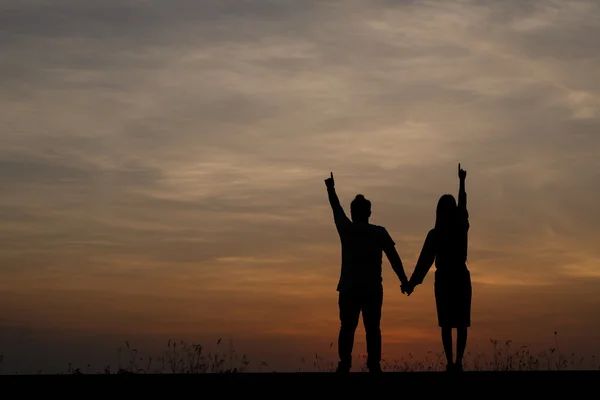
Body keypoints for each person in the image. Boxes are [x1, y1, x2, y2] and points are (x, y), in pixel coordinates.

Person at [324, 172, 410, 373]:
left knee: (347, 328)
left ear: (353, 213)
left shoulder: (347, 229)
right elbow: (394, 258)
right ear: (369, 213)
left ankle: (345, 363)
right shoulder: (379, 232)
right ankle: (373, 365)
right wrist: (404, 281)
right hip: (371, 289)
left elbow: (336, 208)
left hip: (349, 288)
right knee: (372, 329)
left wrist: (330, 189)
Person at [404, 163, 471, 372]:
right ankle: (453, 362)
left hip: (453, 277)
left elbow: (463, 206)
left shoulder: (454, 229)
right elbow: (423, 262)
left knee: (456, 323)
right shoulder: (444, 232)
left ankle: (455, 362)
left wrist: (461, 183)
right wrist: (412, 283)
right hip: (450, 278)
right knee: (451, 323)